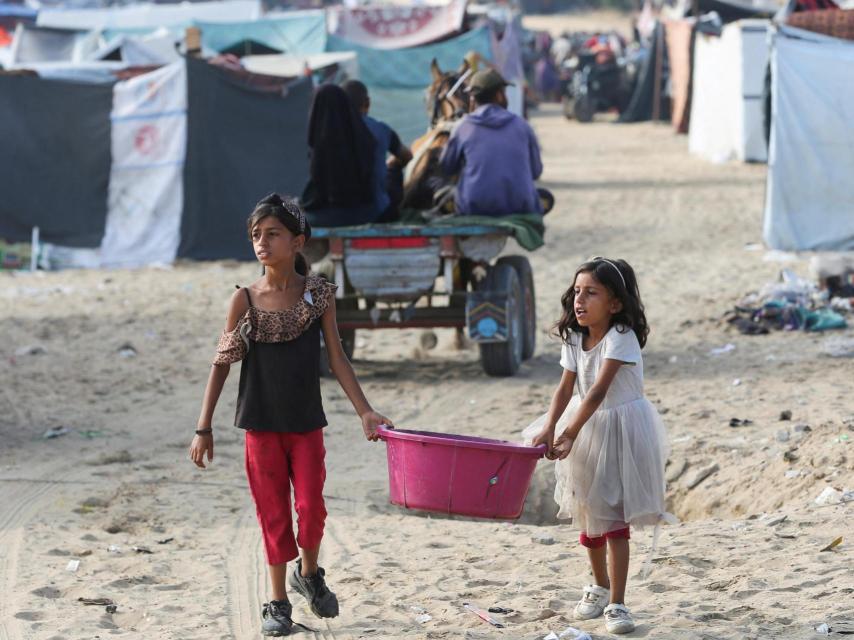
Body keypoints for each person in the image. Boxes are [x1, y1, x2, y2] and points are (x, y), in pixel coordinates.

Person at [189, 193, 393, 636]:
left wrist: (365, 411)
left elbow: (337, 358)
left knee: (311, 508)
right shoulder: (244, 299)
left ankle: (310, 572)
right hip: (259, 426)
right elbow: (221, 363)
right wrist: (203, 427)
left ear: (298, 241)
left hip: (305, 424)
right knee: (274, 514)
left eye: (273, 234)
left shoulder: (317, 295)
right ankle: (278, 602)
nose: (262, 242)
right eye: (256, 235)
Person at [523, 258, 670, 635]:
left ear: (615, 303)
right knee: (588, 515)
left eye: (591, 293)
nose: (580, 300)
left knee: (616, 520)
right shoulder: (575, 337)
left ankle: (619, 603)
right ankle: (598, 587)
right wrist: (551, 425)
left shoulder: (621, 337)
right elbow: (565, 388)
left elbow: (599, 392)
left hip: (621, 428)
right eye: (576, 292)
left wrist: (569, 433)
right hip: (586, 428)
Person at [439, 68, 543, 217]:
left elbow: (446, 168)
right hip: (519, 206)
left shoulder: (462, 127)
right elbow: (536, 171)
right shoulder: (522, 125)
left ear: (473, 99)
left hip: (474, 207)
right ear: (499, 95)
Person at [301, 84, 378, 228]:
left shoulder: (321, 145)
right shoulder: (364, 138)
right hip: (364, 213)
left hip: (329, 216)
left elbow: (316, 191)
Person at [342, 79, 412, 223]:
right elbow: (407, 156)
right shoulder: (381, 129)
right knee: (394, 168)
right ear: (367, 103)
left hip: (340, 212)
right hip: (379, 212)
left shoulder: (327, 131)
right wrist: (392, 164)